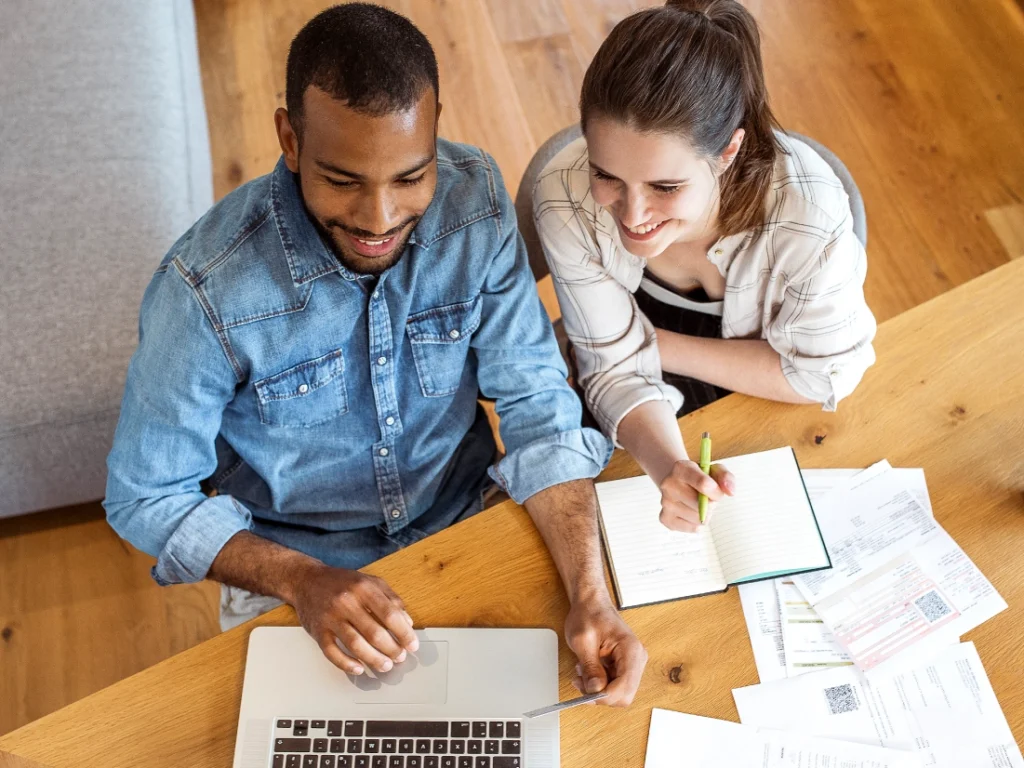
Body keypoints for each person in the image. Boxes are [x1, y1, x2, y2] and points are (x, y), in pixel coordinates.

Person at [104, 3, 646, 706]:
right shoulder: (205, 292)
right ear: (289, 140)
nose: (380, 219)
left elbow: (538, 405)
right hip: (298, 573)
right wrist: (302, 581)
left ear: (436, 126)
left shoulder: (474, 203)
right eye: (343, 180)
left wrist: (590, 593)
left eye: (410, 177)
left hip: (468, 520)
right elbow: (146, 496)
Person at [534, 0, 876, 534]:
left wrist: (654, 344)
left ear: (728, 151)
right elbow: (610, 371)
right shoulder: (566, 196)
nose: (633, 214)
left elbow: (821, 373)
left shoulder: (810, 216)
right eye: (606, 174)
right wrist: (670, 467)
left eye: (665, 187)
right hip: (626, 416)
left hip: (764, 411)